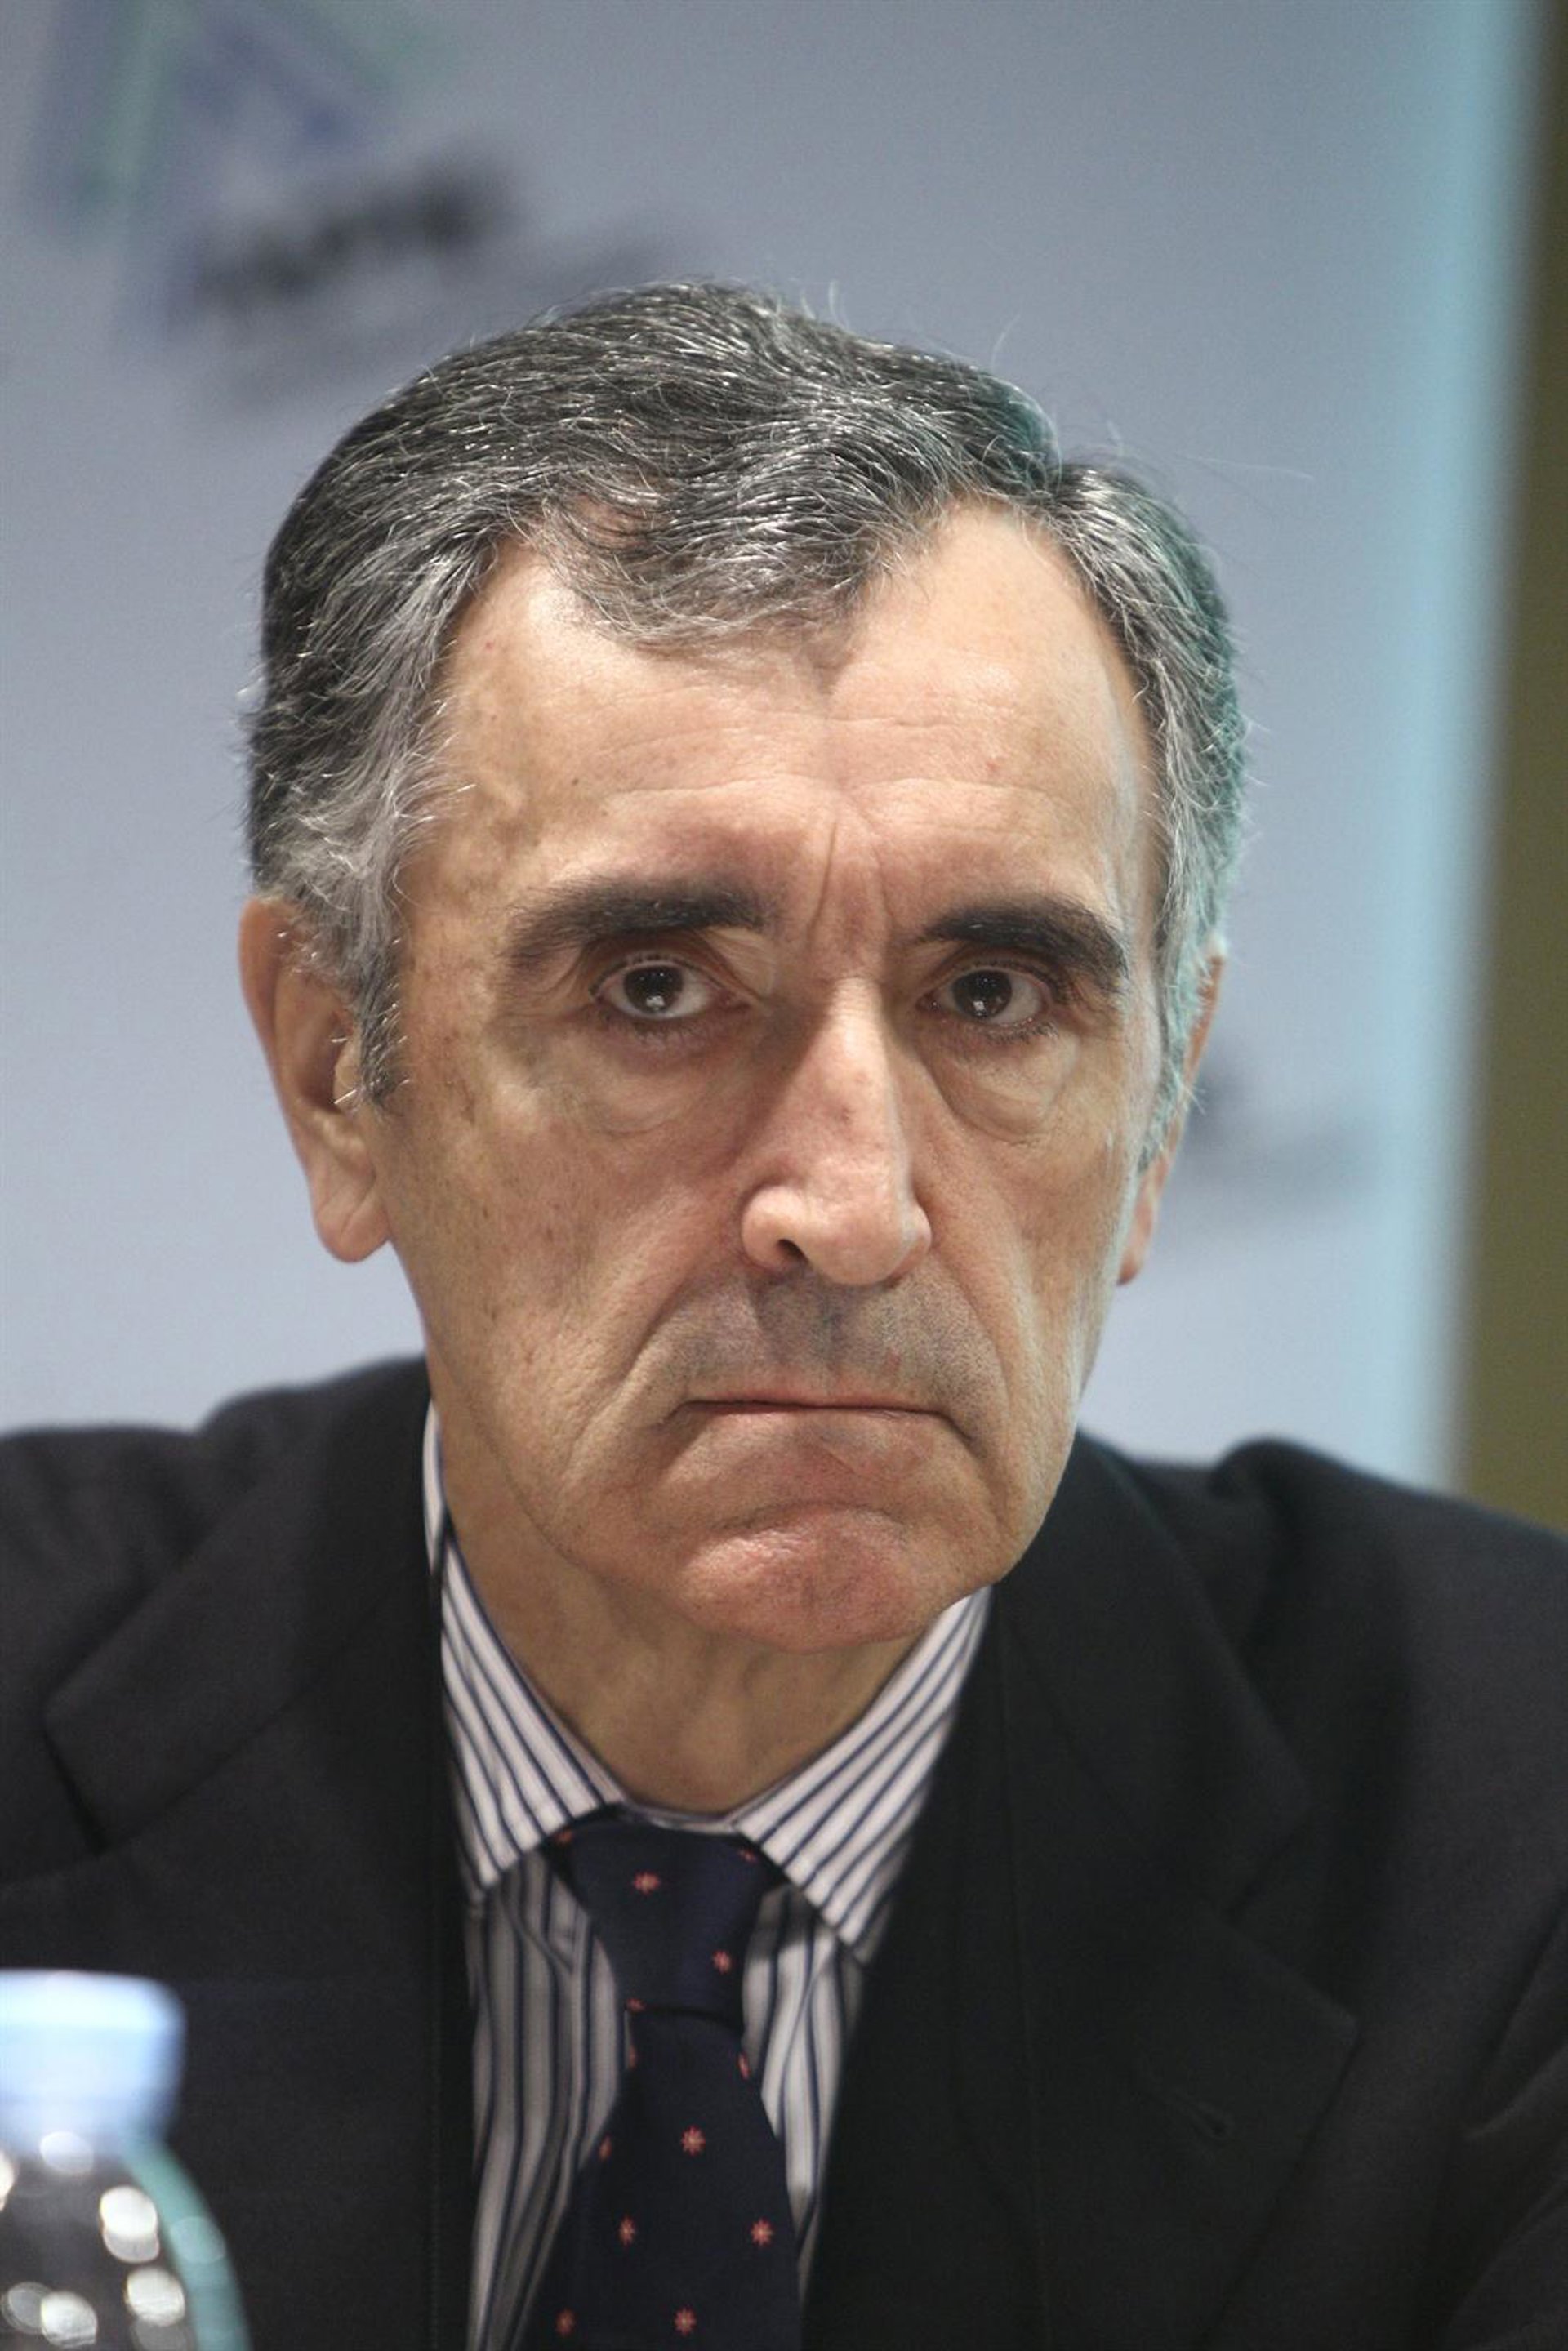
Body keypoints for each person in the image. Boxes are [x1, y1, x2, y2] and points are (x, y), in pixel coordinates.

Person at [2, 284, 1564, 2351]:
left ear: (1163, 1107)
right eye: (657, 989)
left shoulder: (1516, 1825)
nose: (852, 1206)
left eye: (992, 997)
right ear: (333, 1072)